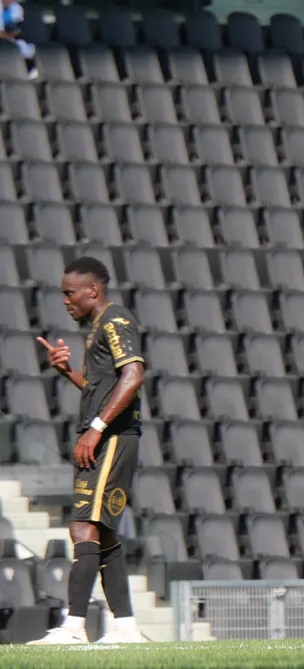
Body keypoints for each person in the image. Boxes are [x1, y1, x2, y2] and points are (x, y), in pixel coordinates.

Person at [30, 257, 148, 645]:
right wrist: (68, 372)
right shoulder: (98, 326)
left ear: (93, 290)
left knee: (83, 527)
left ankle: (74, 627)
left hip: (112, 437)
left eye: (70, 293)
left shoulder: (115, 321)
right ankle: (126, 627)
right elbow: (101, 388)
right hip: (107, 436)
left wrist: (96, 429)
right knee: (104, 534)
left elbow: (133, 376)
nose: (65, 301)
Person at [0, 0, 37, 80]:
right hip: (3, 38)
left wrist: (13, 33)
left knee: (26, 47)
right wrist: (7, 35)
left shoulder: (17, 8)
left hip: (11, 37)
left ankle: (30, 72)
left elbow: (17, 27)